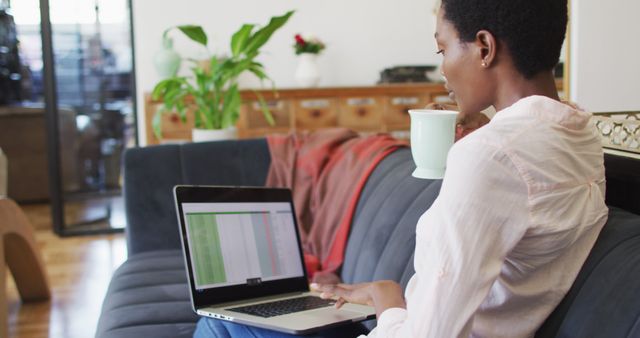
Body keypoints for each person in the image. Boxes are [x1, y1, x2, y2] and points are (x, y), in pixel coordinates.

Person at [194, 0, 608, 337]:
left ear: (484, 47)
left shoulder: (491, 156)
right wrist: (488, 128)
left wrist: (386, 296)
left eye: (442, 49)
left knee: (218, 326)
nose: (443, 70)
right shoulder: (581, 134)